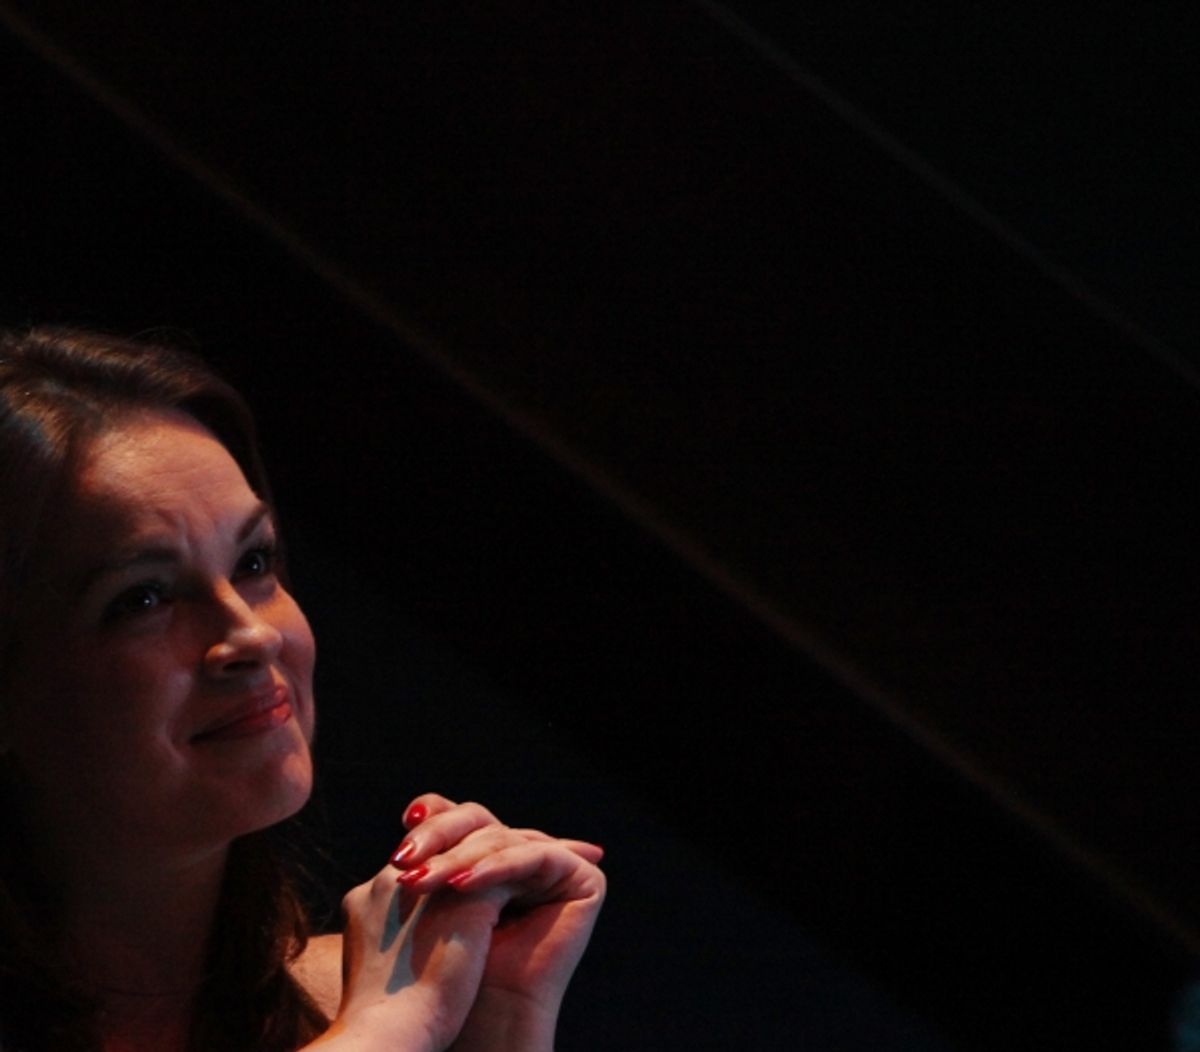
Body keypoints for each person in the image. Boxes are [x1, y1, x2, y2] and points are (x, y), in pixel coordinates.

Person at [0, 325, 605, 1052]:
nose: (251, 634)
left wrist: (501, 1027)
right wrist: (386, 1032)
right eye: (144, 598)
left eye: (254, 562)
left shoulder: (369, 1000)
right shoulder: (386, 1018)